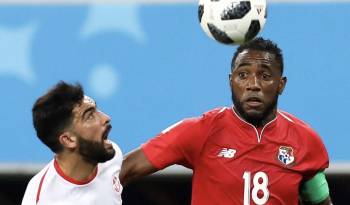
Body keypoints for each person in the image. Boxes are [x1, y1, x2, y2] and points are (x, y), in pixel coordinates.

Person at [120, 37, 332, 205]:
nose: (253, 85)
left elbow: (320, 200)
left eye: (265, 76)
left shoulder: (305, 140)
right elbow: (126, 169)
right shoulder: (201, 130)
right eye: (243, 75)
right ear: (231, 82)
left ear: (281, 84)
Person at [22, 81, 123, 205]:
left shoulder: (110, 156)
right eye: (90, 116)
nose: (106, 117)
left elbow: (125, 171)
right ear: (68, 139)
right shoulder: (42, 200)